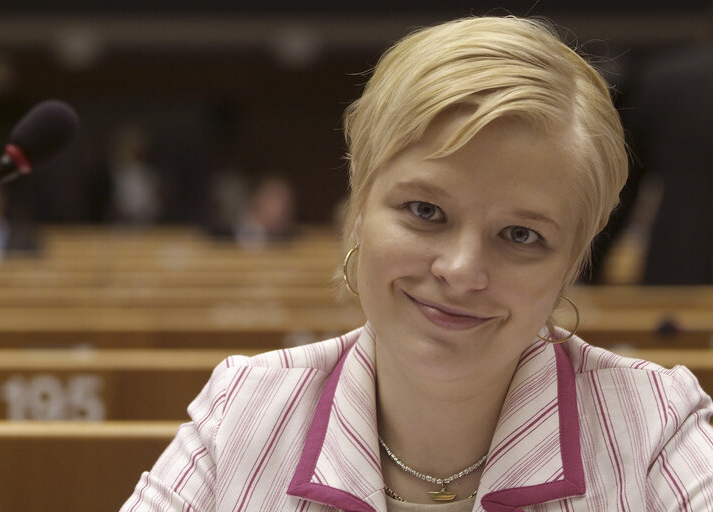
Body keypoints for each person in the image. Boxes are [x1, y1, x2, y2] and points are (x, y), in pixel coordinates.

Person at [121, 16, 713, 511]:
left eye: (521, 234)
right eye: (425, 210)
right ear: (357, 210)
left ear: (572, 262)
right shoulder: (244, 407)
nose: (461, 270)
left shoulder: (655, 424)